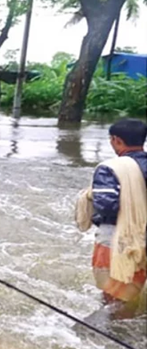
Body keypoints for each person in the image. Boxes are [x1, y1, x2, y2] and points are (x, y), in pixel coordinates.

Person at [76, 118, 147, 317]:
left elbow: (107, 206)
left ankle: (112, 335)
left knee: (114, 297)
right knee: (134, 290)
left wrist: (91, 196)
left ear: (116, 140)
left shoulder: (110, 169)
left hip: (117, 238)